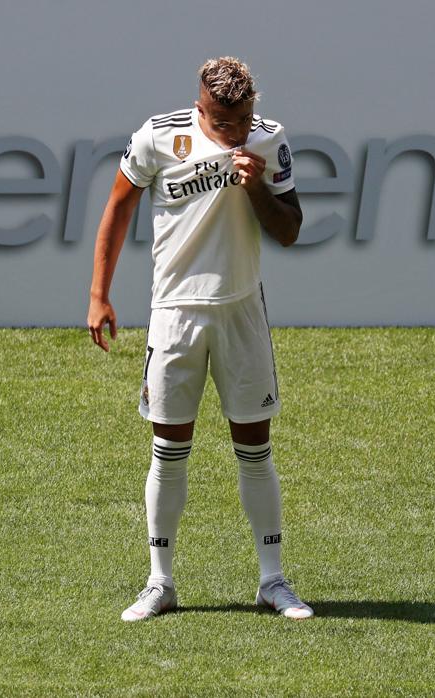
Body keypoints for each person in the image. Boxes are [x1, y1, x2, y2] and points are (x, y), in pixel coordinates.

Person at [87, 57, 313, 621]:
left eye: (242, 120)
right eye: (222, 121)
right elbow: (118, 206)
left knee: (255, 450)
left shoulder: (270, 139)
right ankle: (159, 582)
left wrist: (255, 185)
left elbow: (289, 230)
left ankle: (273, 581)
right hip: (174, 314)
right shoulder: (158, 136)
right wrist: (98, 294)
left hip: (241, 312)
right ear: (201, 103)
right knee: (168, 451)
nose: (235, 131)